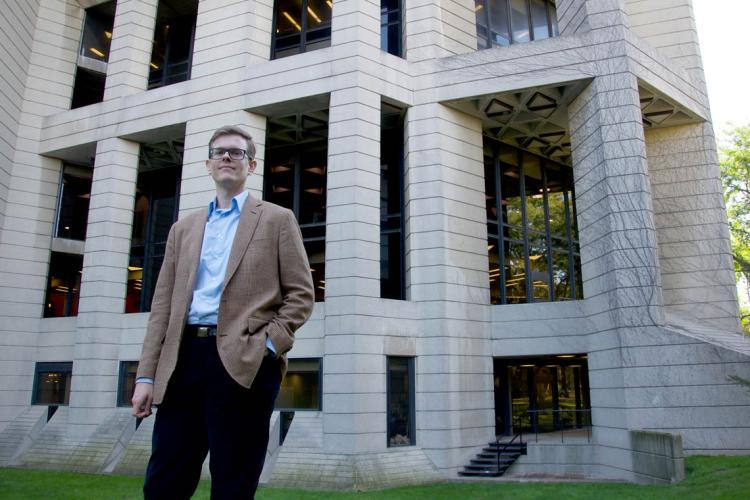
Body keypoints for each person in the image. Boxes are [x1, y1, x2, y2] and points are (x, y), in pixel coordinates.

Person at [131, 125, 314, 499]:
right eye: (220, 152)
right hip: (182, 361)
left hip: (244, 362)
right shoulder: (183, 228)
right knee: (165, 480)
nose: (227, 158)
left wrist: (266, 346)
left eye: (237, 152)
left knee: (234, 481)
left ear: (252, 164)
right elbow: (162, 307)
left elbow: (300, 294)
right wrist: (145, 376)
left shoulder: (277, 219)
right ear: (208, 164)